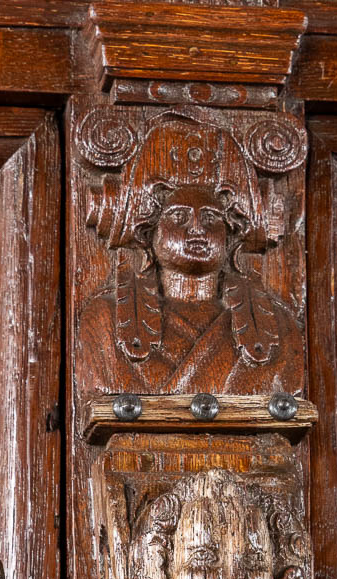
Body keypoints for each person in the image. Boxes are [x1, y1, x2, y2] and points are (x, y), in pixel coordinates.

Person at [79, 115, 303, 396]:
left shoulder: (278, 327)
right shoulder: (105, 319)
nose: (197, 228)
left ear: (230, 237)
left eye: (211, 218)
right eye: (179, 216)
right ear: (150, 233)